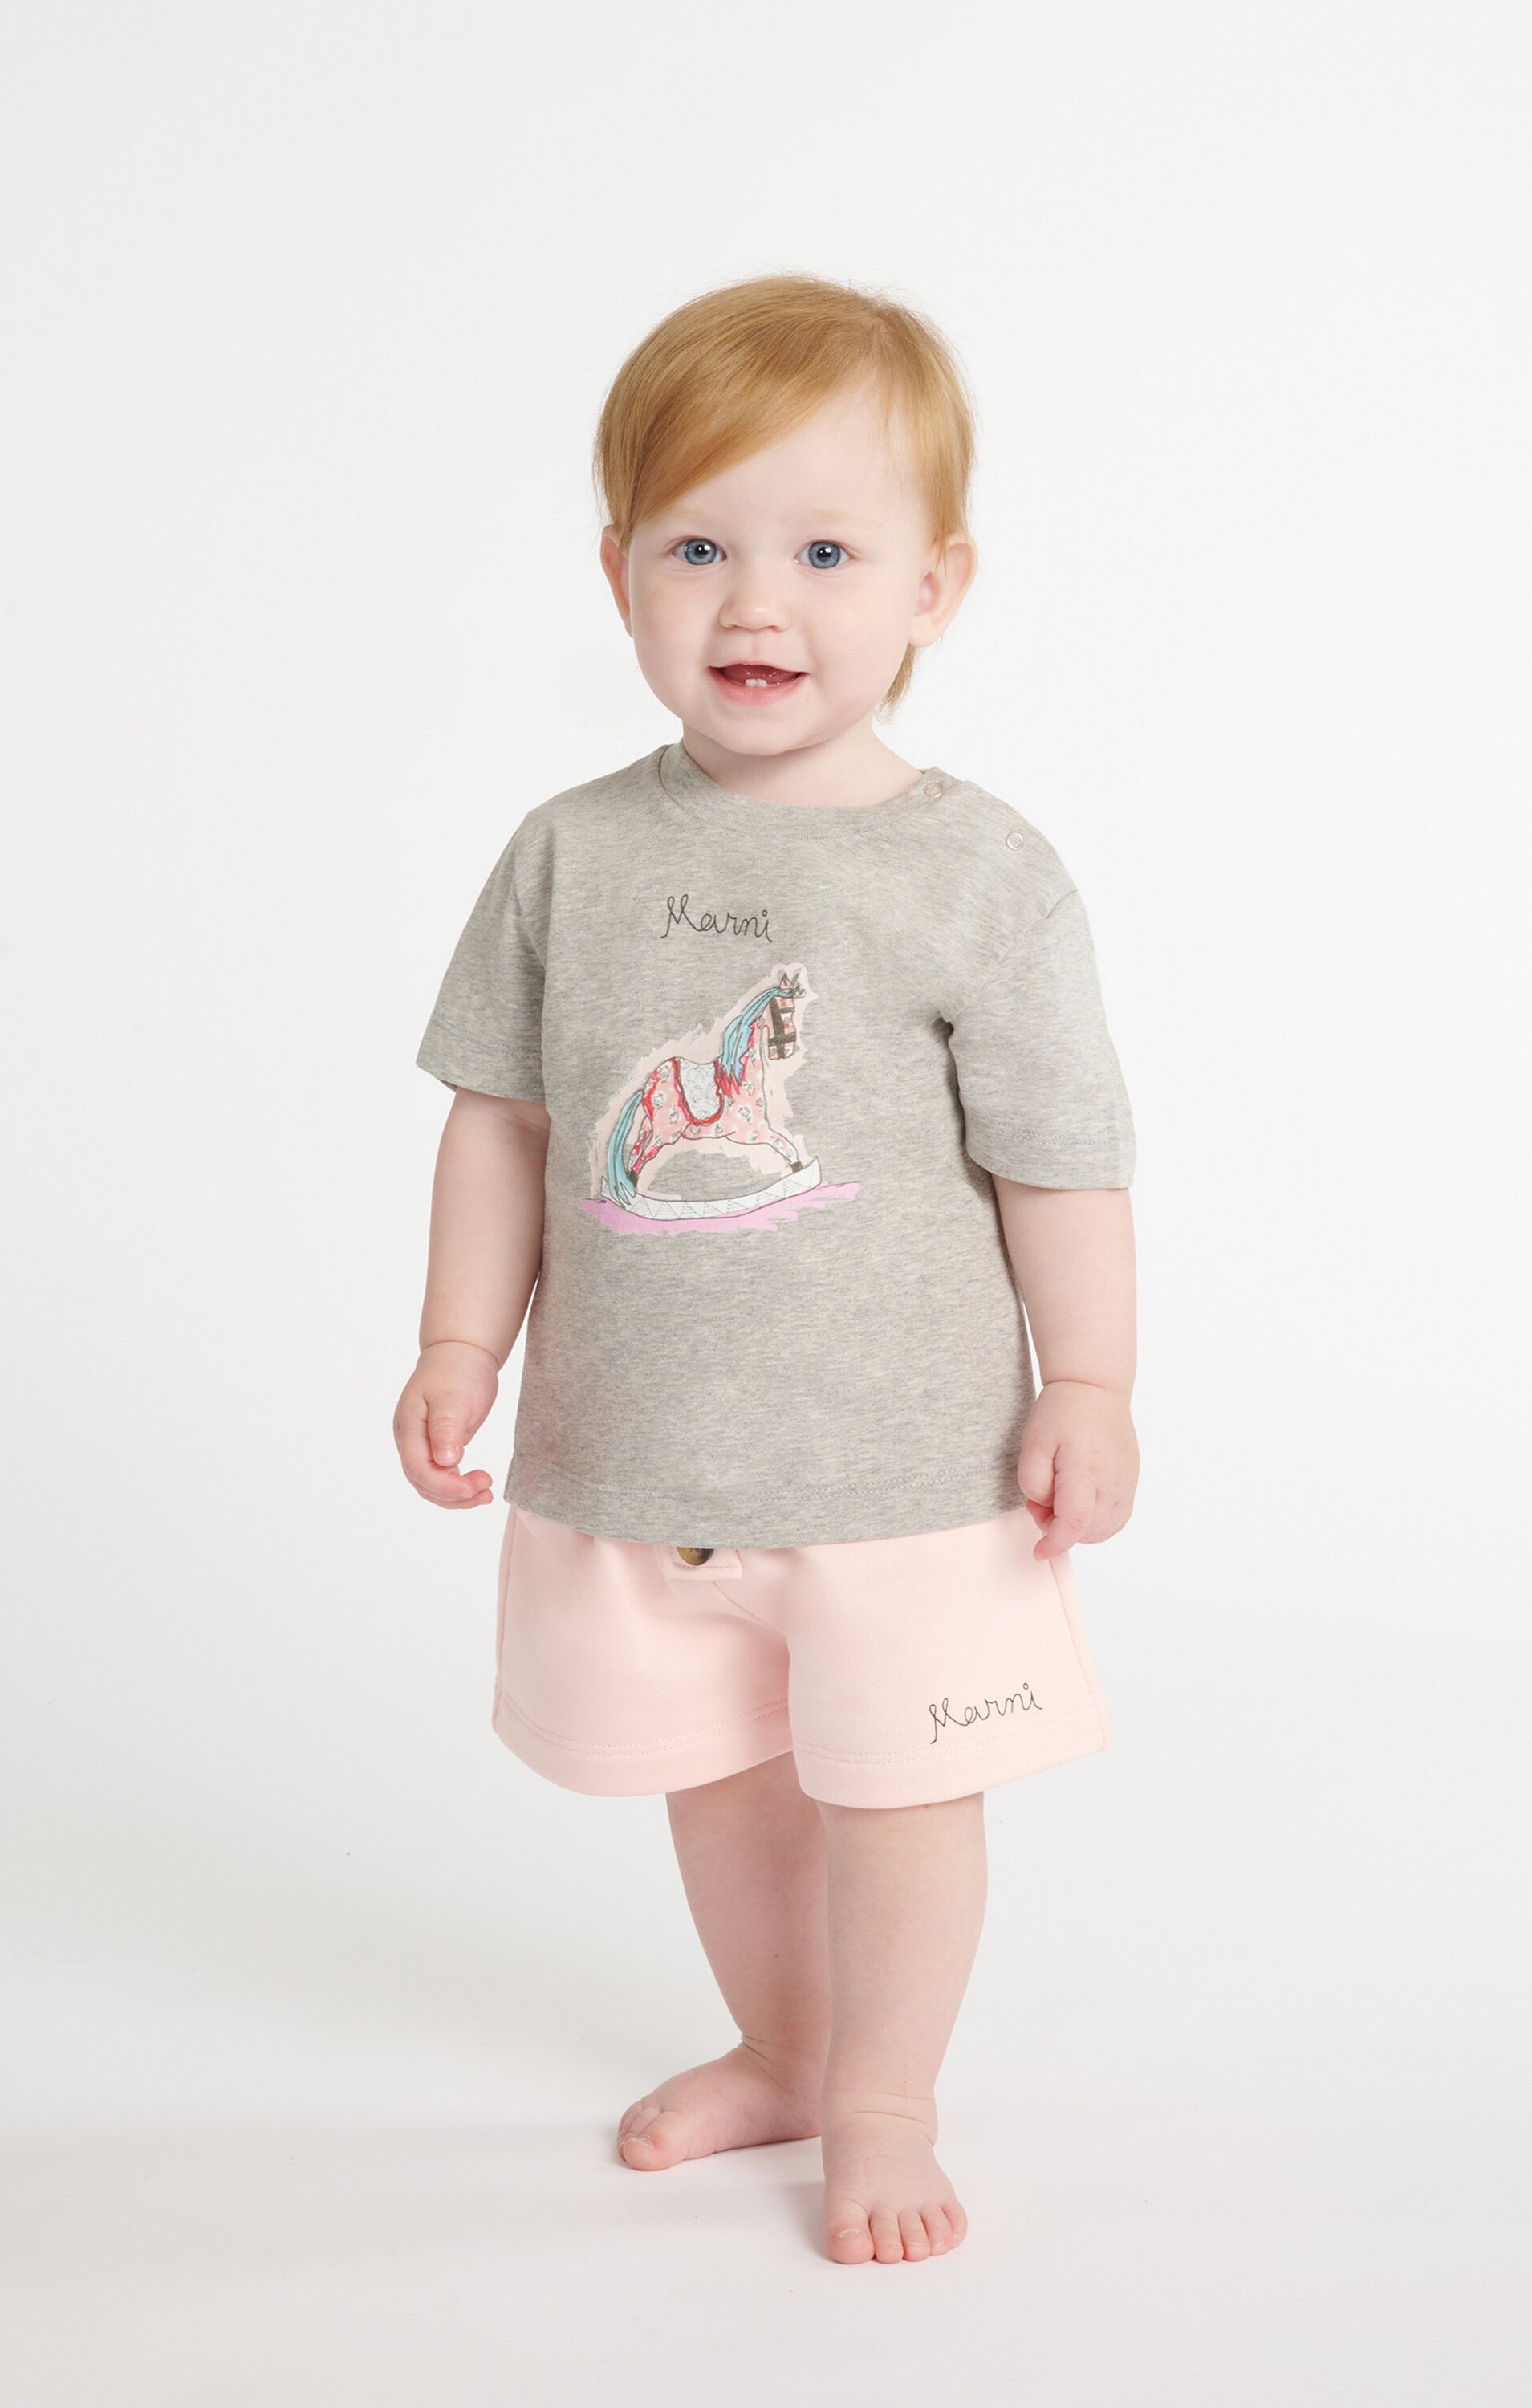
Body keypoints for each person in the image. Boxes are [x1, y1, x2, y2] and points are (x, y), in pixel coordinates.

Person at [393, 274, 1139, 2267]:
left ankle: (883, 2098)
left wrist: (1089, 1384)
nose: (755, 603)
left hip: (909, 1475)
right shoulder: (566, 853)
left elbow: (1061, 1164)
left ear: (933, 587)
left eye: (824, 553)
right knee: (717, 1786)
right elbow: (503, 1121)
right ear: (619, 574)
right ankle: (784, 2049)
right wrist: (461, 1337)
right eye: (698, 547)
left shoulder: (978, 870)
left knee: (897, 1793)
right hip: (652, 1465)